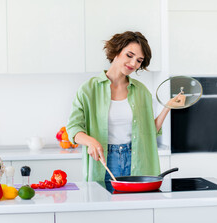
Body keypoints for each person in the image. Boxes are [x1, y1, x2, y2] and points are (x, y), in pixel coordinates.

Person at [66, 31, 180, 181]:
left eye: (139, 60)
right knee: (104, 203)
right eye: (129, 55)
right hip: (105, 160)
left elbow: (149, 133)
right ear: (116, 52)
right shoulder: (89, 89)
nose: (133, 64)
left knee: (137, 204)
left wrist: (168, 106)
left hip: (137, 159)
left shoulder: (141, 91)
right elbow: (73, 129)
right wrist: (90, 141)